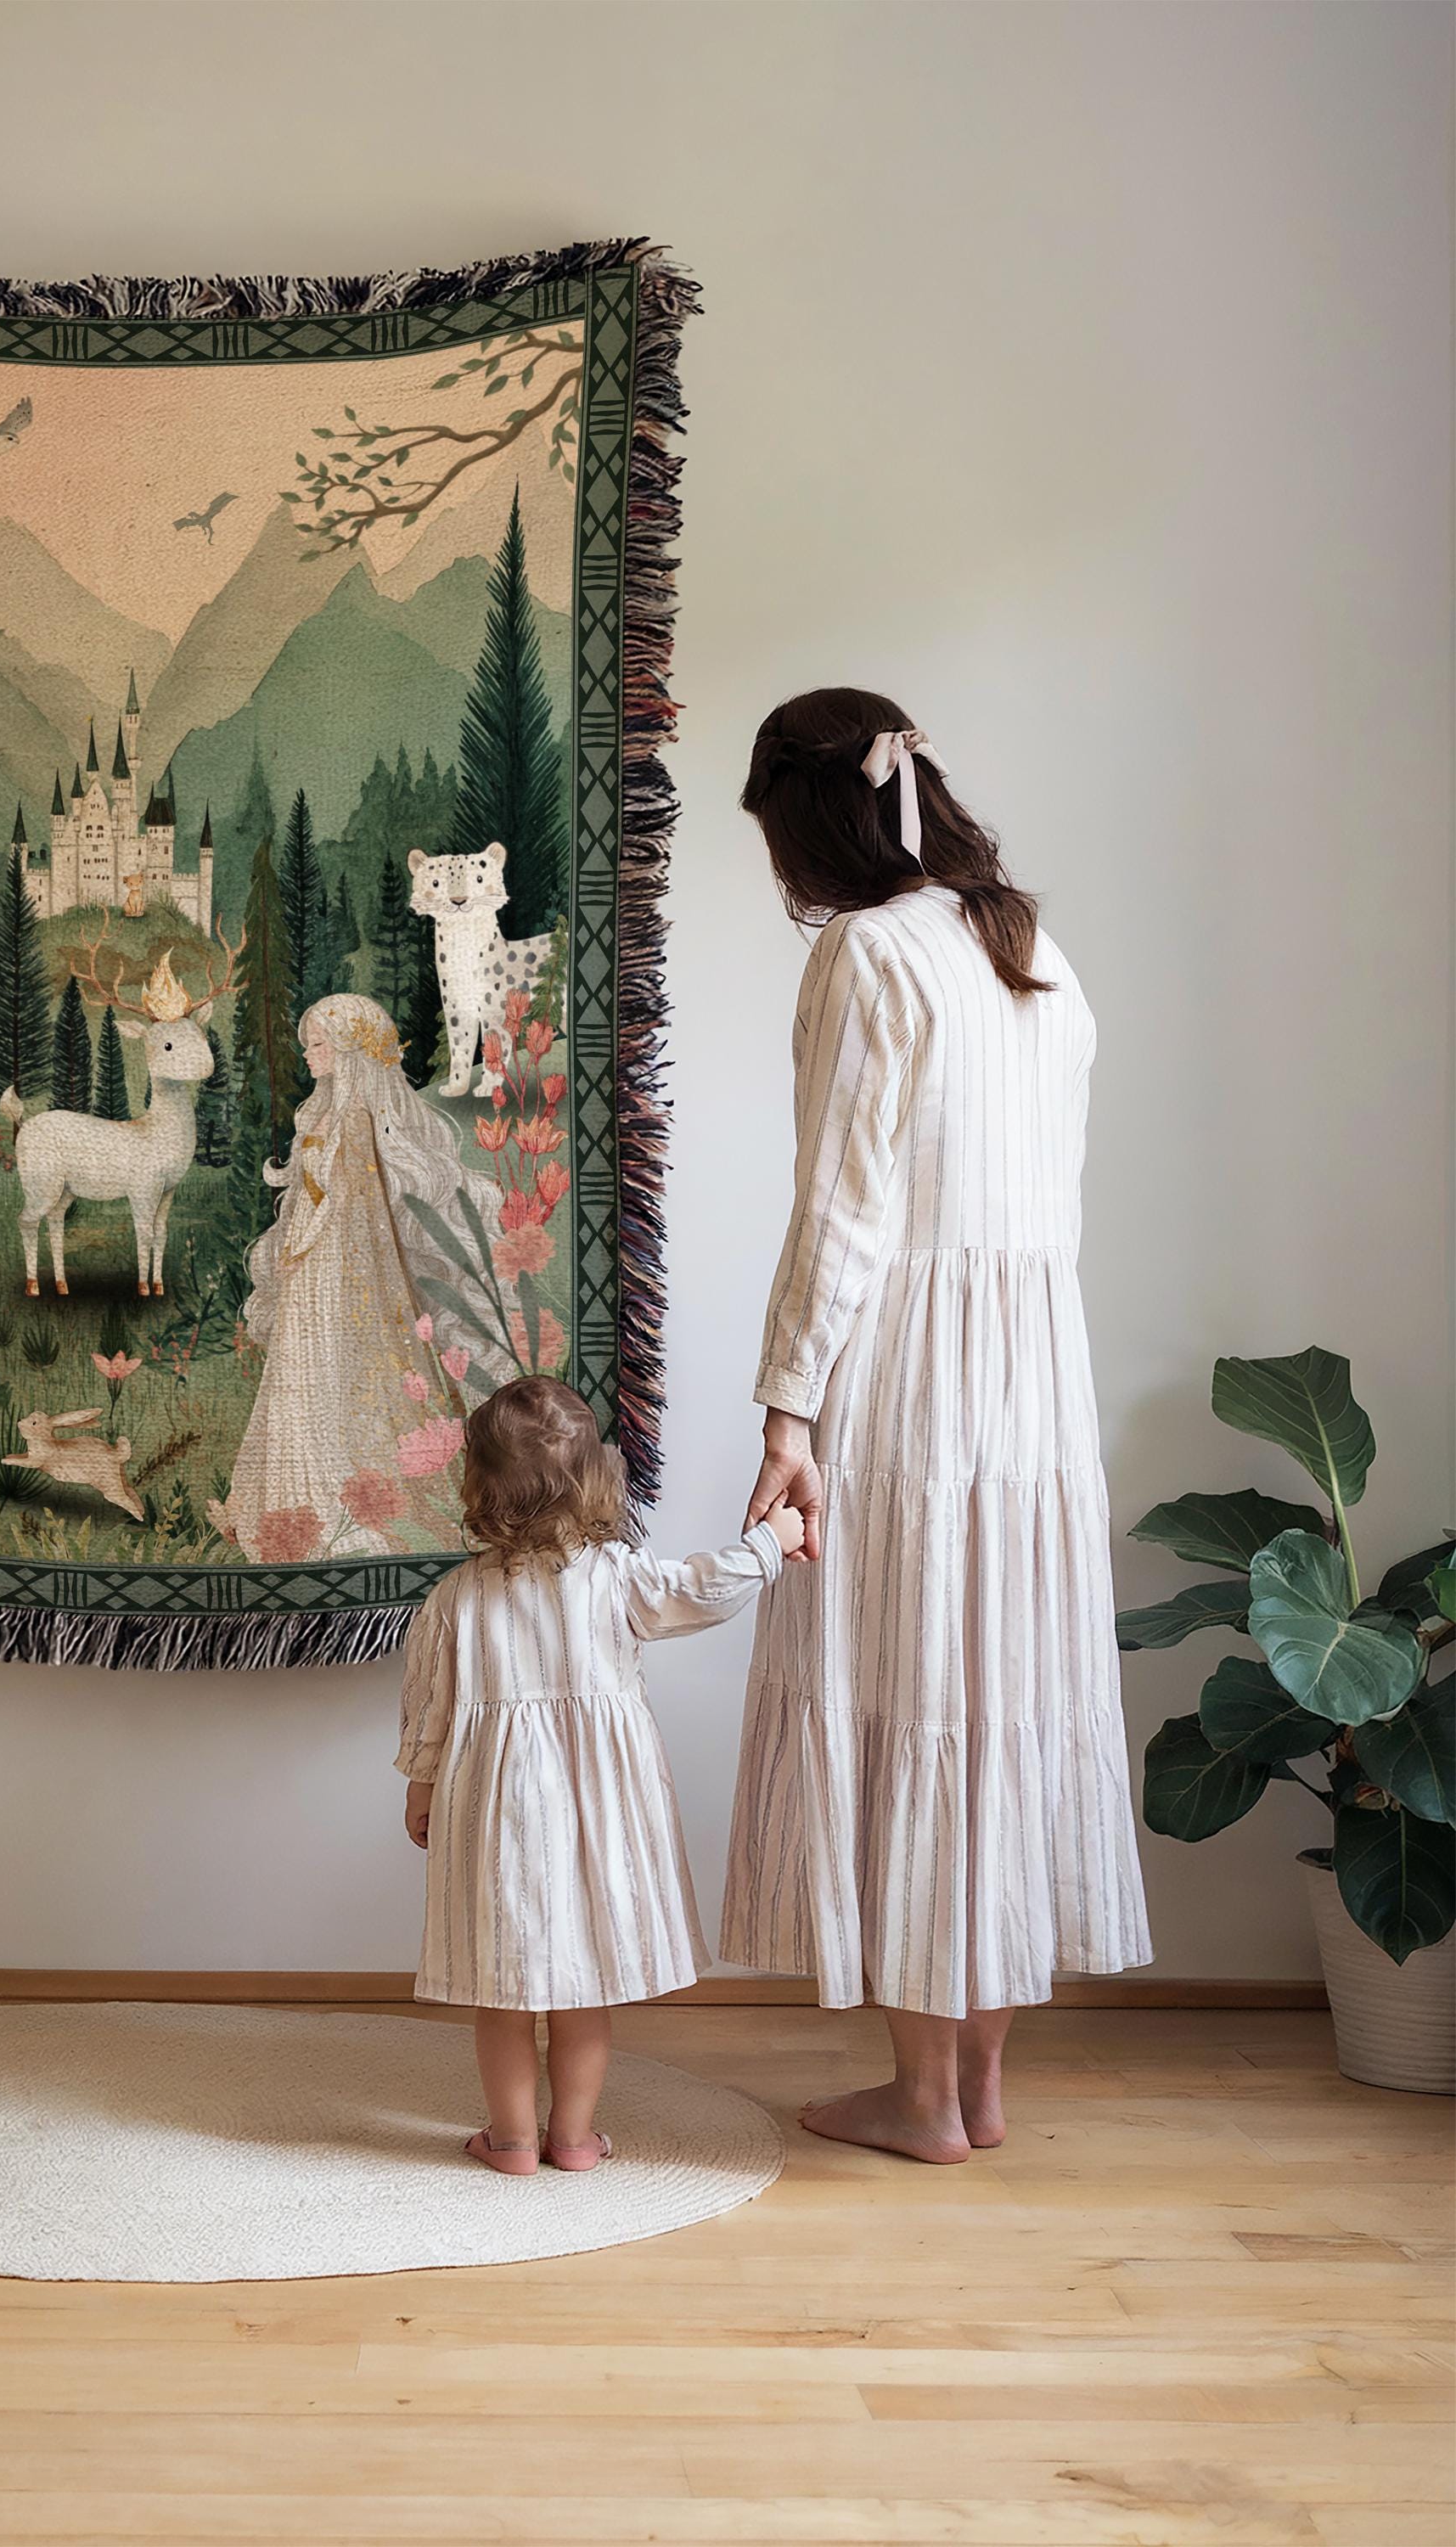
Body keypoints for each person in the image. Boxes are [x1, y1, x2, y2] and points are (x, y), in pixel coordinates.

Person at [721, 689, 1152, 2165]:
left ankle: (920, 2101)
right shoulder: (1030, 945)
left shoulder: (869, 950)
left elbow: (841, 1208)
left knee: (913, 1682)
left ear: (810, 822)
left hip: (912, 1370)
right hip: (1034, 1376)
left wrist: (788, 1408)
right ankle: (979, 2087)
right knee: (1002, 1692)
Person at [397, 1376, 801, 2174]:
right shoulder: (617, 1577)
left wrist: (421, 1785)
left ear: (479, 1486)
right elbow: (702, 1589)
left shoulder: (454, 1600)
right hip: (600, 1815)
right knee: (582, 1987)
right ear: (596, 1480)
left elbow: (429, 1708)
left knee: (503, 1989)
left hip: (494, 1815)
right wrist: (770, 1543)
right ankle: (575, 2138)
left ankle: (511, 2140)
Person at [220, 992, 494, 1561]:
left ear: (349, 1050)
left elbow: (353, 1202)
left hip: (335, 1269)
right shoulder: (324, 1113)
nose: (309, 1055)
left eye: (319, 1044)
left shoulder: (355, 1118)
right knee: (298, 1372)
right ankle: (286, 1503)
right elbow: (311, 1196)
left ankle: (328, 1504)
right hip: (307, 1264)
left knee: (325, 1371)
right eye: (308, 1045)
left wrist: (307, 1242)